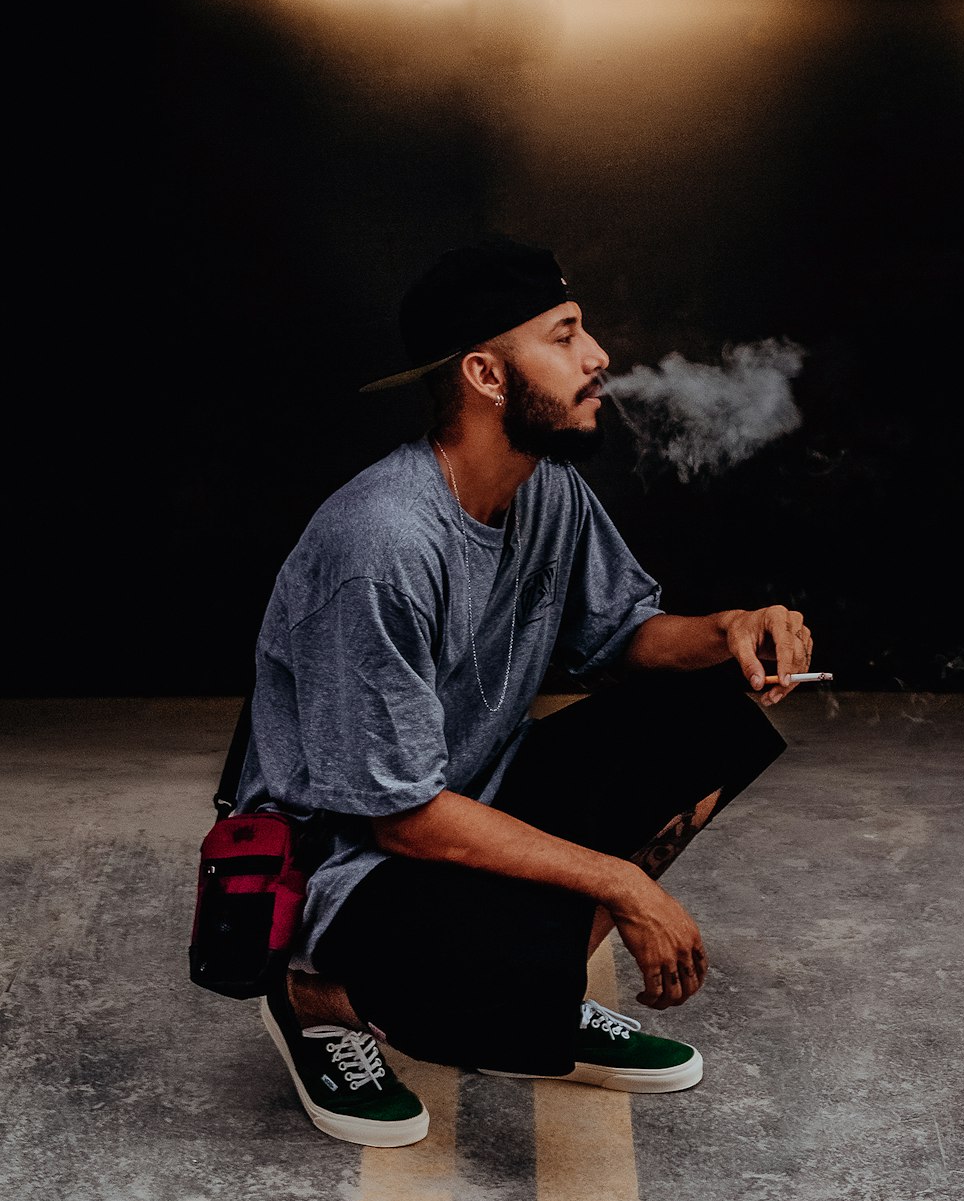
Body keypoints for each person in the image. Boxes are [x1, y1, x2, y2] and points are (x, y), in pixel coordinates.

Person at [237, 238, 813, 1147]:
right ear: (486, 375)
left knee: (709, 712)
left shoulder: (549, 492)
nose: (599, 357)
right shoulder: (381, 543)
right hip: (351, 867)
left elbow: (622, 638)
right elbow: (401, 818)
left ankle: (528, 1006)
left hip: (472, 799)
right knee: (482, 979)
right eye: (565, 336)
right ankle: (316, 998)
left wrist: (729, 629)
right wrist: (622, 884)